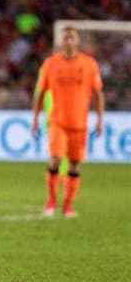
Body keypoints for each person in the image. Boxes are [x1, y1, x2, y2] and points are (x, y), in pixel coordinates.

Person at [32, 26, 104, 217]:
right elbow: (40, 92)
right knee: (55, 159)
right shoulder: (50, 64)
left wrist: (100, 119)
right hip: (57, 121)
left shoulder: (90, 65)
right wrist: (36, 119)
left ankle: (68, 206)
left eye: (72, 37)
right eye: (66, 38)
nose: (69, 41)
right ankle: (51, 201)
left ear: (77, 41)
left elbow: (97, 93)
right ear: (61, 42)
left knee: (74, 165)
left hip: (79, 124)